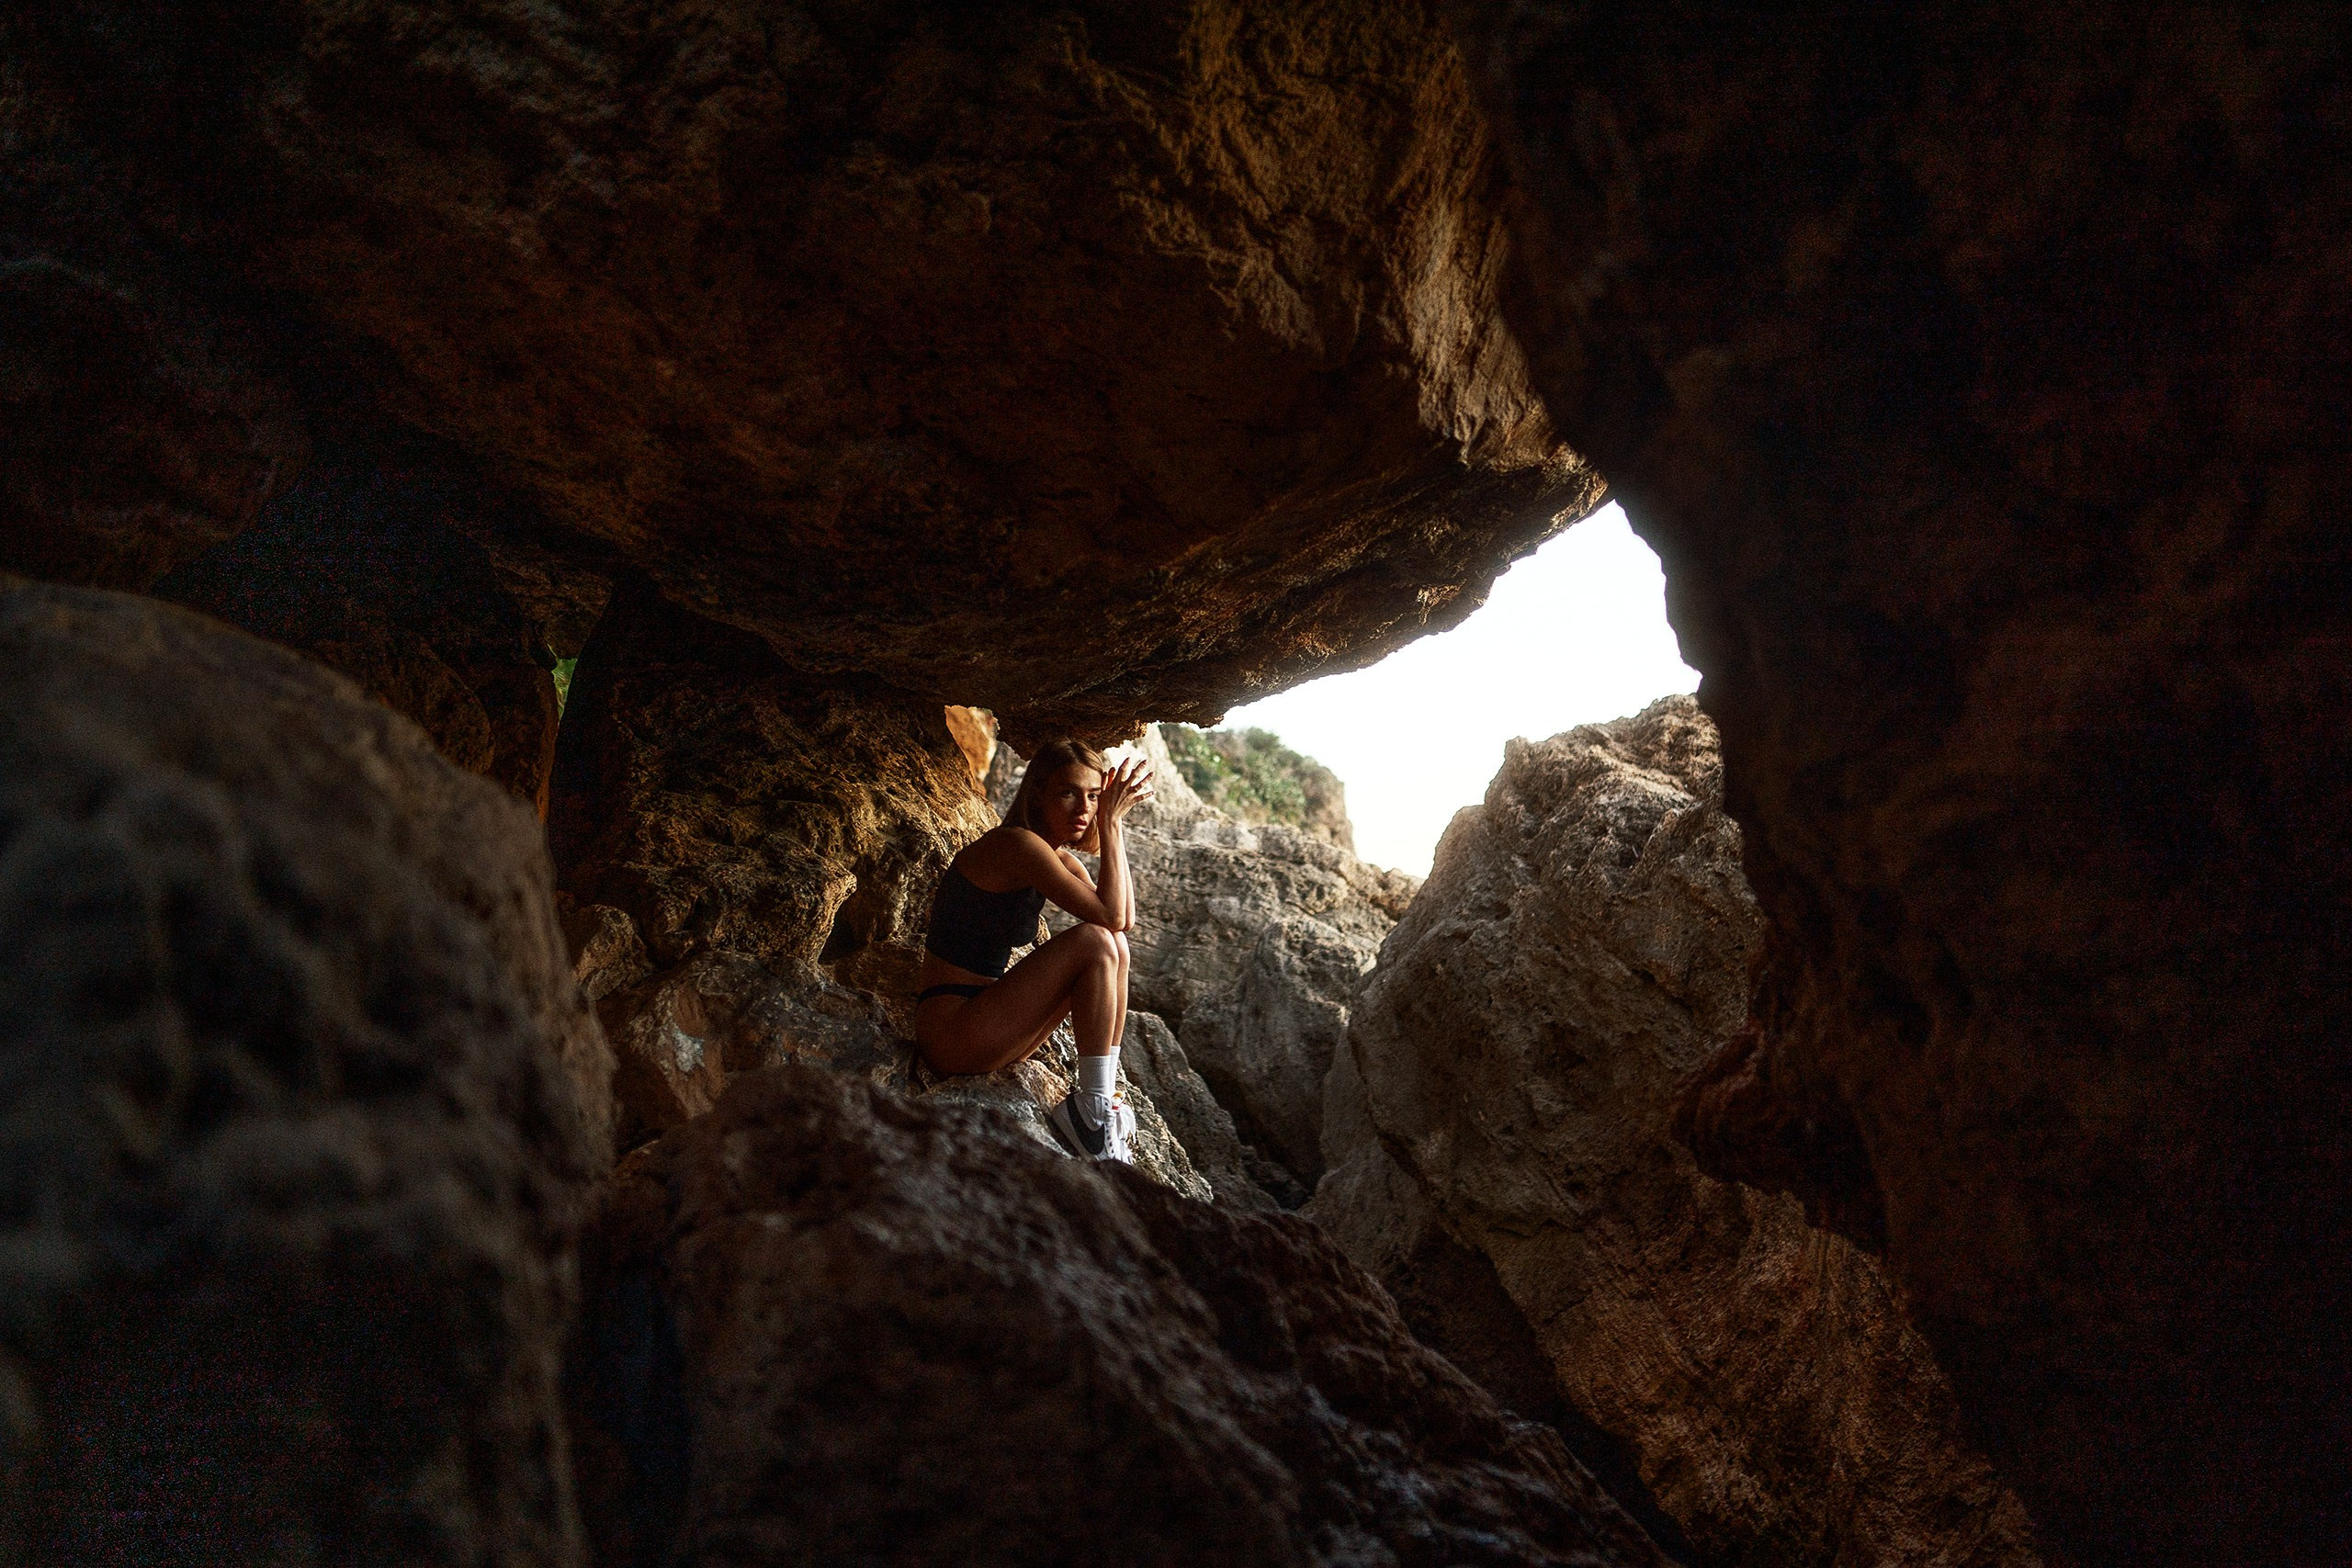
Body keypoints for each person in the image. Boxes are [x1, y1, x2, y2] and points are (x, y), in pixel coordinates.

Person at [914, 738, 1155, 1161]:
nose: (1083, 808)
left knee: (1114, 943)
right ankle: (1092, 1115)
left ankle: (1098, 1105)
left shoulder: (1059, 859)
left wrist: (1111, 828)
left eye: (1095, 797)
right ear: (1038, 793)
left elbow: (1124, 921)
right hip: (951, 1031)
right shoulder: (1017, 845)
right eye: (1068, 793)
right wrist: (1111, 824)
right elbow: (1111, 916)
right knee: (1097, 941)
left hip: (991, 1026)